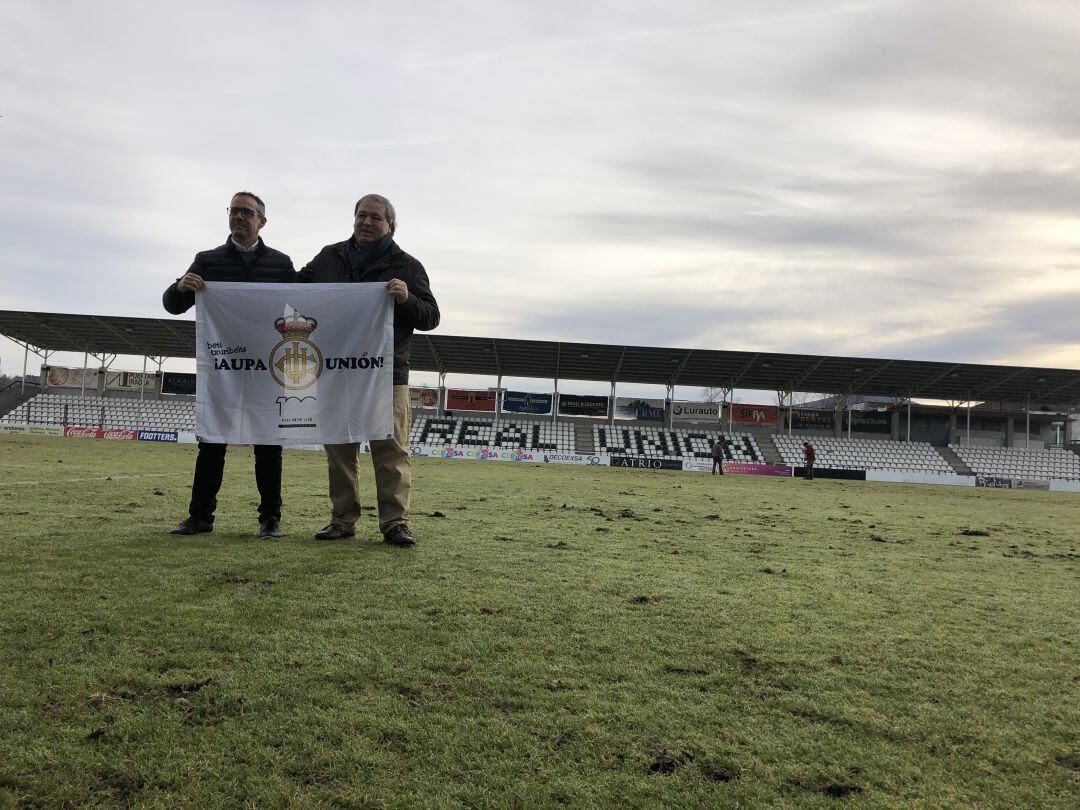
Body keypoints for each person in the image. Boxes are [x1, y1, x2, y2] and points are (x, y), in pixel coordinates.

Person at [298, 194, 440, 547]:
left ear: (391, 225)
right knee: (339, 451)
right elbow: (293, 287)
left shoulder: (408, 266)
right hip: (336, 371)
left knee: (391, 453)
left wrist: (407, 299)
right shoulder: (329, 257)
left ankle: (395, 523)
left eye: (375, 217)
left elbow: (431, 317)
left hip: (387, 374)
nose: (366, 222)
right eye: (361, 215)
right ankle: (343, 519)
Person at [163, 192, 296, 538]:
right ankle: (200, 517)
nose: (239, 217)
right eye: (234, 211)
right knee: (211, 443)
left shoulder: (281, 265)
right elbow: (173, 305)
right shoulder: (207, 260)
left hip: (267, 369)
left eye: (246, 212)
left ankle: (270, 519)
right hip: (224, 367)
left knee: (269, 446)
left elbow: (302, 303)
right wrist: (180, 287)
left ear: (261, 221)